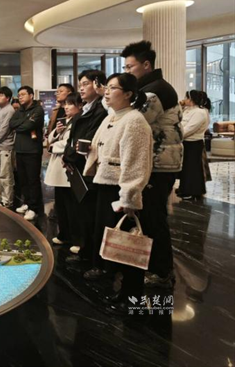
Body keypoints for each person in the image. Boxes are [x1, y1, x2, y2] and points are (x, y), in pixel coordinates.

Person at [83, 73, 153, 311]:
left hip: (120, 190)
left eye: (113, 88)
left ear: (128, 94)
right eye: (107, 87)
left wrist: (129, 198)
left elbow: (136, 163)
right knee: (115, 243)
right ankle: (123, 292)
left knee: (128, 246)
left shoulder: (134, 121)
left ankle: (133, 297)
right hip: (105, 185)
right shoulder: (112, 116)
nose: (106, 92)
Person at [122, 40, 182, 288]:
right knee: (149, 217)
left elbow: (136, 120)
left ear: (146, 65)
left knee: (154, 218)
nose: (127, 72)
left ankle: (162, 271)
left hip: (159, 163)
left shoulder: (155, 91)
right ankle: (153, 266)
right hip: (156, 161)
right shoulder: (150, 87)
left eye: (130, 67)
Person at [62, 70, 107, 270]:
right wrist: (67, 156)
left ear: (98, 85)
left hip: (89, 167)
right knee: (82, 212)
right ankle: (85, 251)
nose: (81, 88)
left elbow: (87, 140)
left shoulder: (101, 110)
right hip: (77, 166)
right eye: (80, 84)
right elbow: (72, 139)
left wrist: (70, 156)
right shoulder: (86, 109)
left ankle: (92, 257)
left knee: (91, 214)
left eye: (86, 84)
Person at [45, 93, 81, 249]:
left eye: (70, 104)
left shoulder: (79, 121)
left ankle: (75, 238)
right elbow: (49, 139)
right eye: (65, 104)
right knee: (61, 205)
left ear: (80, 106)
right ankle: (64, 234)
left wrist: (53, 146)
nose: (66, 107)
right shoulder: (66, 121)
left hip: (68, 165)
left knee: (71, 206)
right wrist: (56, 132)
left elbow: (71, 143)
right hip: (58, 164)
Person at [9, 86, 45, 221]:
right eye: (19, 95)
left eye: (23, 94)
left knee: (33, 180)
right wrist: (25, 120)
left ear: (31, 95)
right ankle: (27, 203)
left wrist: (21, 125)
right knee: (23, 179)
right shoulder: (19, 110)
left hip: (32, 150)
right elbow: (11, 124)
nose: (20, 97)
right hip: (19, 149)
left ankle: (34, 208)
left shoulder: (38, 109)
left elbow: (28, 126)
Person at [178, 90, 211, 200]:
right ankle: (185, 189)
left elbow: (190, 129)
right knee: (186, 168)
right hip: (186, 142)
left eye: (186, 97)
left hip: (194, 143)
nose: (184, 99)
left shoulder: (200, 112)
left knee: (192, 168)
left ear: (191, 99)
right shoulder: (187, 110)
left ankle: (192, 191)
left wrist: (177, 135)